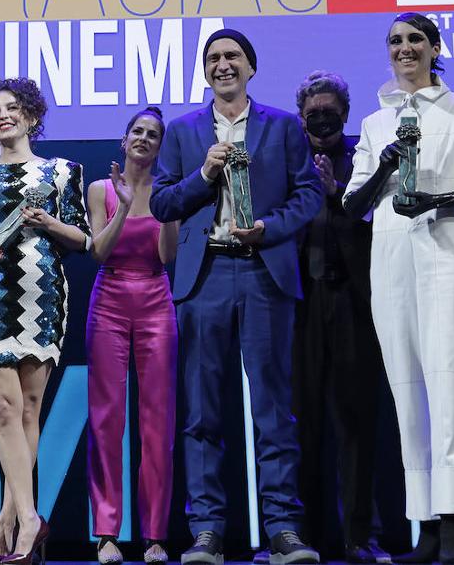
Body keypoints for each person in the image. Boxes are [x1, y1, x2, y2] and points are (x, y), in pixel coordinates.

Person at [342, 13, 454, 565]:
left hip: (446, 254)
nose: (404, 48)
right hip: (390, 258)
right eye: (395, 40)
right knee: (407, 389)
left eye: (415, 39)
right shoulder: (373, 123)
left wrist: (438, 200)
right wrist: (385, 164)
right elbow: (351, 204)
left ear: (435, 48)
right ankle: (429, 528)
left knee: (451, 382)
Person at [150, 28, 322, 565]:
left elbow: (310, 193)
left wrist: (269, 228)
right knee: (201, 412)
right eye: (214, 59)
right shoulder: (182, 132)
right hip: (205, 278)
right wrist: (203, 175)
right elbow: (161, 202)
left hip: (263, 273)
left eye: (233, 57)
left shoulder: (284, 127)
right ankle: (206, 531)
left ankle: (283, 528)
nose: (224, 65)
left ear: (251, 67)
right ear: (205, 72)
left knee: (273, 407)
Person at [0, 78, 90, 565]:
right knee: (3, 408)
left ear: (31, 117)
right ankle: (31, 520)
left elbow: (82, 238)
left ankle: (7, 523)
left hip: (42, 295)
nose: (2, 115)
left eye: (13, 108)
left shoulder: (63, 171)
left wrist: (47, 222)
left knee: (29, 412)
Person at [291, 72, 389, 564]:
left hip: (354, 302)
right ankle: (304, 536)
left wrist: (337, 193)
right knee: (301, 426)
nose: (322, 118)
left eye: (330, 111)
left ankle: (359, 536)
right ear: (302, 116)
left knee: (355, 422)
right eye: (313, 112)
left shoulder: (367, 158)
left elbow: (376, 225)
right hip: (299, 304)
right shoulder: (287, 161)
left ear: (344, 115)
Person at [85, 107, 179, 565]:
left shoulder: (167, 190)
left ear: (161, 146)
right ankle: (106, 533)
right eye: (137, 132)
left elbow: (166, 256)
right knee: (107, 420)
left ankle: (155, 535)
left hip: (157, 302)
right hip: (109, 302)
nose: (144, 138)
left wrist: (172, 207)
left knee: (157, 422)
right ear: (124, 141)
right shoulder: (100, 189)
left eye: (153, 135)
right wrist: (123, 205)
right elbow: (99, 252)